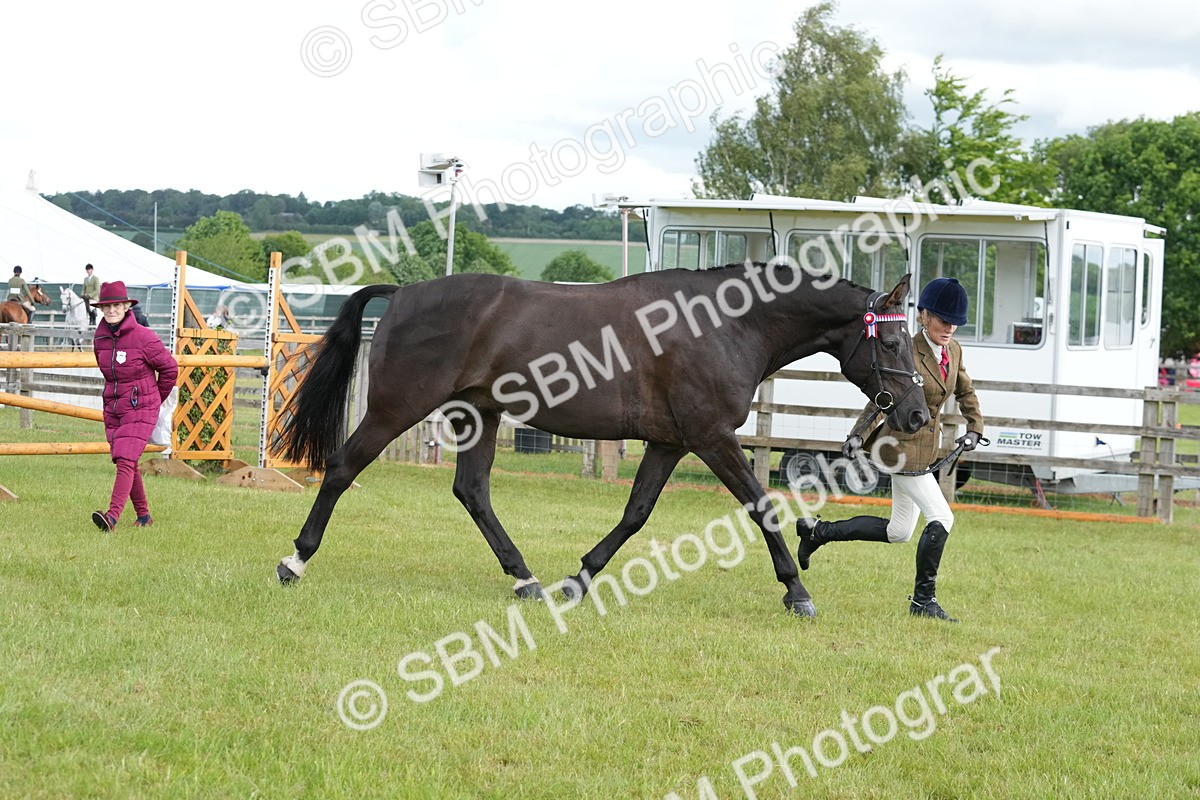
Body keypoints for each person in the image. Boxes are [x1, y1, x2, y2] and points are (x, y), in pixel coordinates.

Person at [796, 277, 985, 622]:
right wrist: (857, 434)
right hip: (898, 447)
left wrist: (975, 428)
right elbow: (882, 398)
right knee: (942, 517)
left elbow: (965, 391)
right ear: (923, 316)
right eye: (943, 320)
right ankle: (922, 601)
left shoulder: (954, 350)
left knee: (898, 531)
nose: (950, 327)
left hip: (925, 450)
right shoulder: (907, 349)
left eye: (955, 322)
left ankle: (817, 532)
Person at [90, 280, 178, 532]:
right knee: (125, 460)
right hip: (114, 408)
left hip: (142, 408)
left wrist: (154, 399)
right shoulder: (101, 338)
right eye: (106, 307)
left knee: (127, 459)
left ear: (127, 306)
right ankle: (143, 516)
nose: (111, 311)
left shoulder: (144, 337)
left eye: (116, 305)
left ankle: (112, 516)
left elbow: (170, 369)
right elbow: (108, 373)